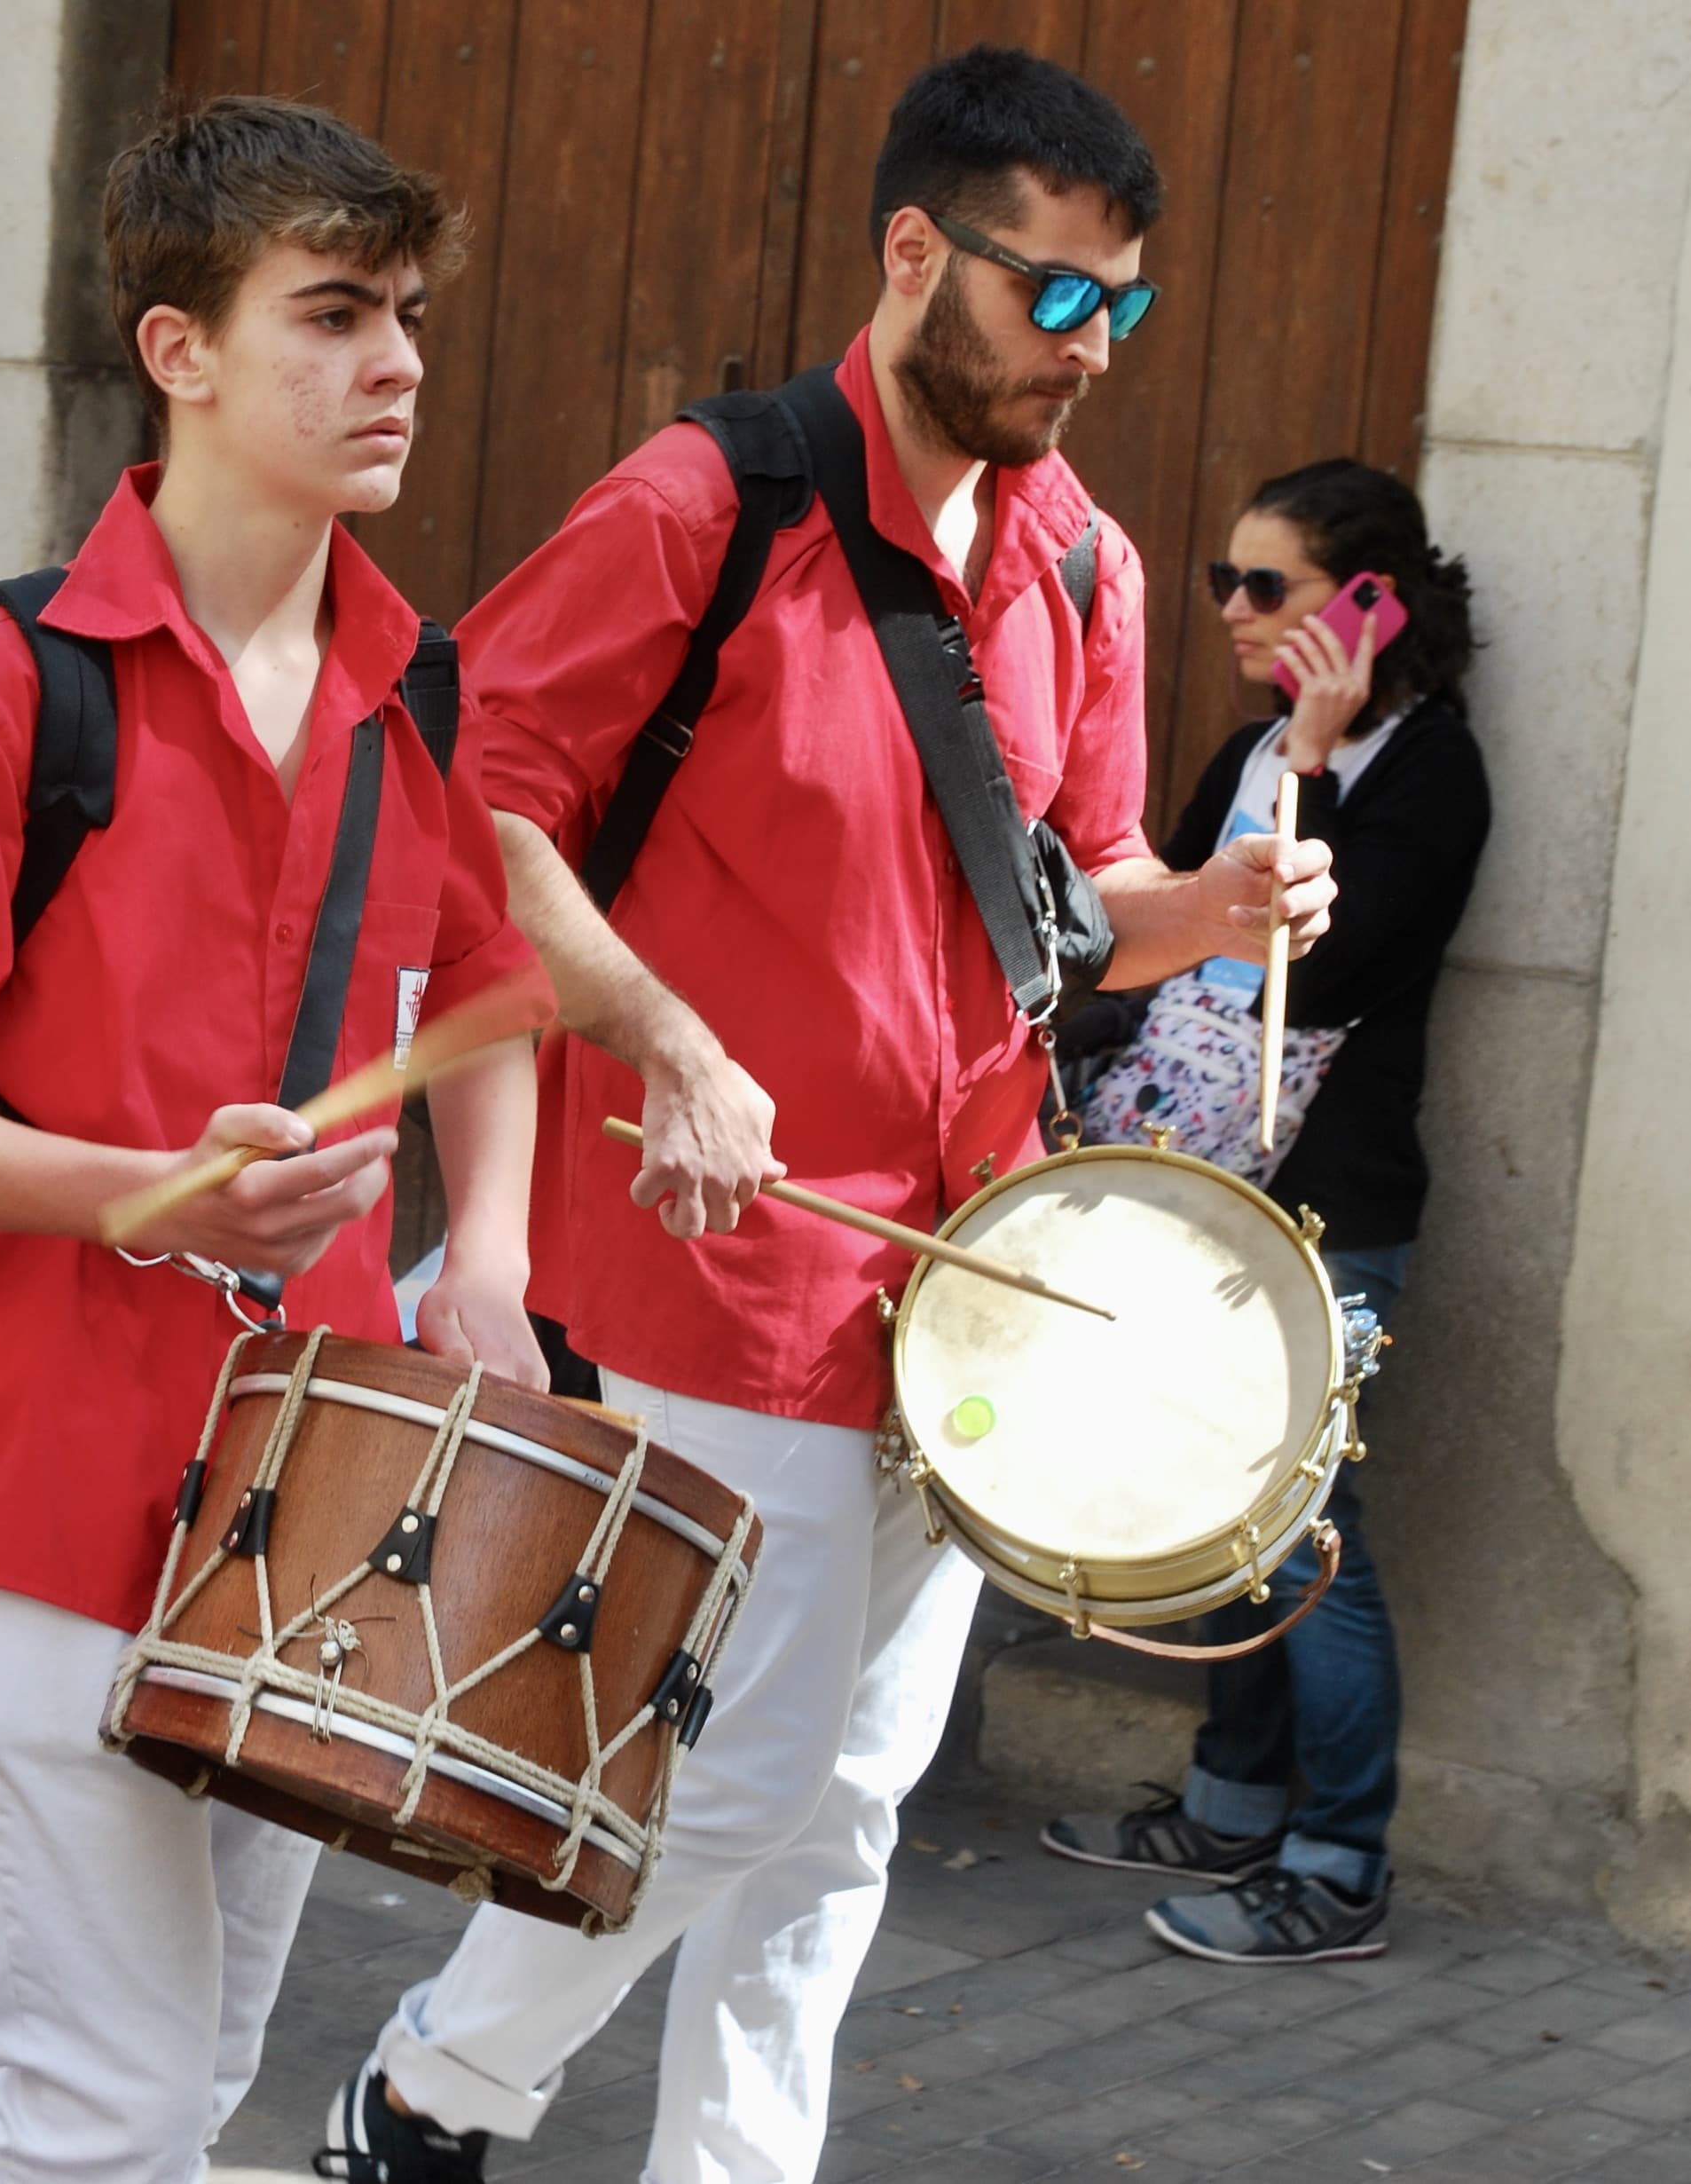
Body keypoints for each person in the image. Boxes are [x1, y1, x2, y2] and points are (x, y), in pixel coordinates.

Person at [312, 49, 1338, 2184]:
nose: (1092, 351)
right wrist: (661, 1032)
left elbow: (1075, 905)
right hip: (723, 1260)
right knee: (745, 1767)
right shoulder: (707, 505)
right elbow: (469, 813)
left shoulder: (1081, 565)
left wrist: (1217, 905)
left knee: (848, 1802)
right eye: (1056, 297)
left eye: (1121, 310)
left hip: (973, 1284)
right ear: (911, 251)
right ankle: (432, 2089)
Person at [0, 95, 547, 2181]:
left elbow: (491, 995)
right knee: (106, 2094)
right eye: (329, 313)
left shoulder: (418, 692)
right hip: (37, 1457)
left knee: (187, 2073)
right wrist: (131, 1187)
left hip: (314, 1477)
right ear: (177, 348)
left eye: (401, 313)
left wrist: (484, 1248)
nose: (392, 360)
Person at [1042, 461, 1488, 1967]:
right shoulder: (1248, 750)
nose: (1230, 612)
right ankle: (1232, 1803)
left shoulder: (1426, 770)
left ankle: (1339, 1861)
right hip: (1199, 1188)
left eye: (1265, 588)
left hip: (1325, 1208)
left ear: (1365, 607)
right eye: (1221, 583)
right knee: (1228, 1516)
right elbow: (1149, 930)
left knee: (1306, 1524)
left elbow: (1336, 960)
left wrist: (1306, 748)